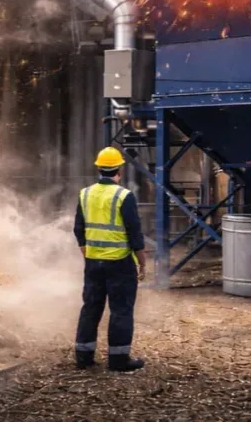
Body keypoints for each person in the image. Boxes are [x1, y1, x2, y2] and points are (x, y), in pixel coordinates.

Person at [73, 146, 147, 372]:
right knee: (121, 310)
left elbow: (78, 229)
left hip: (93, 263)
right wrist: (142, 262)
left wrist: (89, 253)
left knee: (91, 308)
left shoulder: (85, 194)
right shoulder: (124, 196)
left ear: (98, 169)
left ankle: (83, 357)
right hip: (120, 262)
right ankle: (118, 360)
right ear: (119, 170)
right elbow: (134, 232)